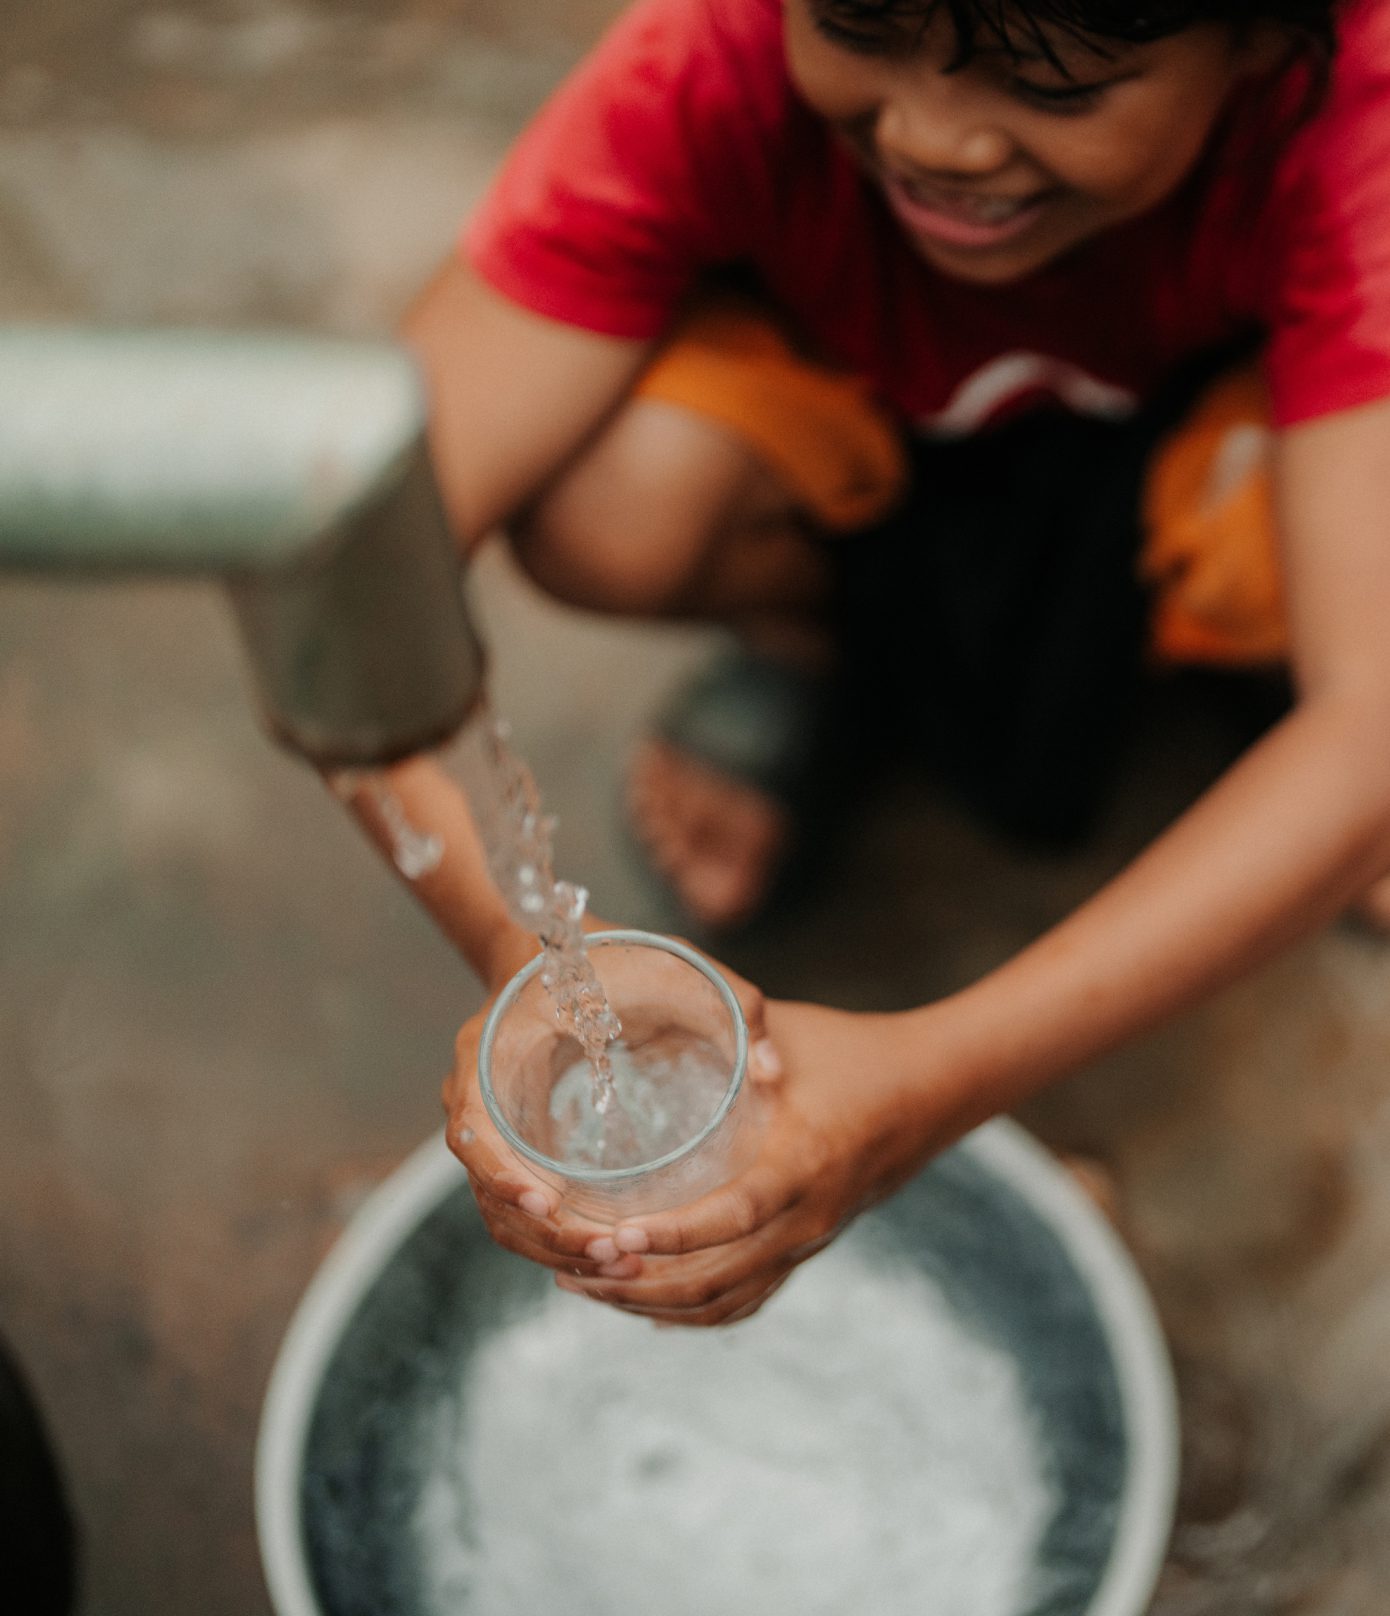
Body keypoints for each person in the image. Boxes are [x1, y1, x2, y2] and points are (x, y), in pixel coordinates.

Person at [351, 0, 1390, 1326]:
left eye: (1054, 89)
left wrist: (923, 1085)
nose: (928, 137)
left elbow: (1366, 721)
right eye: (855, 28)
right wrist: (515, 951)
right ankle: (816, 652)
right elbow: (350, 567)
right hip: (878, 433)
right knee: (615, 507)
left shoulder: (1346, 122)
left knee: (1341, 670)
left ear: (1259, 37)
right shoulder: (709, 66)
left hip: (1226, 445)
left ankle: (1255, 708)